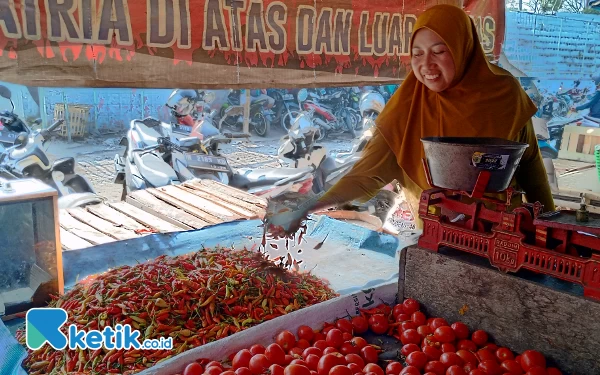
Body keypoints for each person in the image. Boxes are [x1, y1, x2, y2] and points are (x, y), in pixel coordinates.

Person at [300, 4, 556, 228]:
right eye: (417, 53)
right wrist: (308, 207)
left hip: (502, 231)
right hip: (440, 236)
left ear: (463, 47)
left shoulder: (504, 93)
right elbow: (367, 175)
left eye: (439, 51)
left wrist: (549, 221)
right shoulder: (408, 104)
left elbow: (530, 164)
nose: (426, 65)